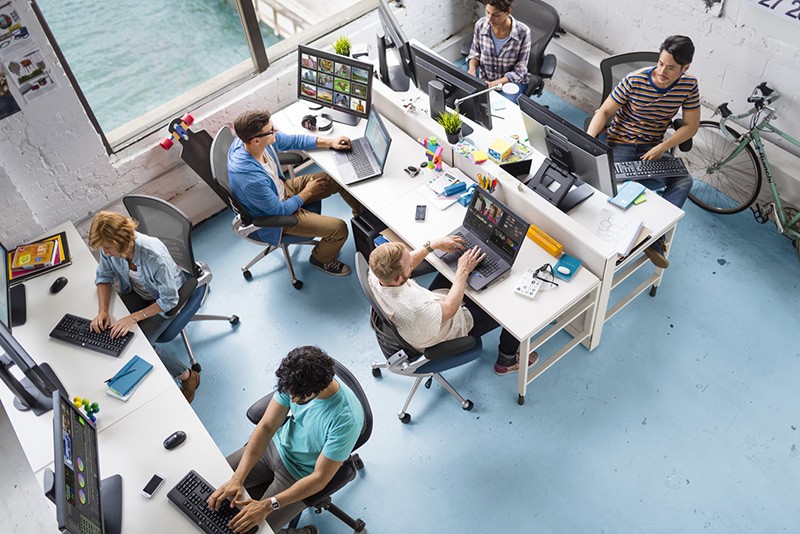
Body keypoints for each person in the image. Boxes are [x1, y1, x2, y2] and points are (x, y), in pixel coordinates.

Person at [208, 347, 363, 533]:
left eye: (297, 397)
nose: (292, 400)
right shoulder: (294, 381)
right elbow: (266, 427)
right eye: (289, 394)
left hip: (300, 473)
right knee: (210, 486)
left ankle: (304, 532)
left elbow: (320, 478)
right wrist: (237, 478)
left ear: (319, 387)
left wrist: (267, 506)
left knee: (250, 530)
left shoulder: (346, 419)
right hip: (274, 446)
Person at [587, 35, 700, 268]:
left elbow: (691, 125)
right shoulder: (635, 79)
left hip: (653, 147)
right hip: (621, 143)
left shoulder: (689, 85)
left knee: (683, 182)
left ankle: (653, 236)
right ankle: (612, 242)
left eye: (670, 68)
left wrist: (663, 147)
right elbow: (604, 112)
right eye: (660, 64)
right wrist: (587, 140)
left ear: (685, 68)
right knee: (614, 189)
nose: (661, 72)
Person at [368, 239, 537, 375]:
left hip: (429, 308)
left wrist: (431, 246)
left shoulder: (376, 272)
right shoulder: (417, 310)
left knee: (453, 266)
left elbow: (406, 263)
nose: (412, 263)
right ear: (398, 279)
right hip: (451, 323)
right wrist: (463, 271)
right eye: (410, 266)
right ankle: (506, 360)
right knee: (515, 305)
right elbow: (450, 308)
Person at [228, 109, 364, 276]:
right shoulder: (250, 179)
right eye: (272, 131)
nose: (276, 132)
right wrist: (307, 192)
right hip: (276, 218)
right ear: (256, 141)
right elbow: (278, 211)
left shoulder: (252, 141)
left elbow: (293, 140)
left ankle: (362, 218)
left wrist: (330, 142)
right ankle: (321, 259)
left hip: (281, 190)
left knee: (335, 180)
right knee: (339, 229)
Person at [88, 211, 200, 402]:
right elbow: (104, 277)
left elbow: (169, 300)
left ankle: (188, 377)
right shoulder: (111, 250)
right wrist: (103, 311)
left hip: (167, 300)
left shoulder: (153, 255)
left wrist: (133, 317)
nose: (105, 253)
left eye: (107, 248)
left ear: (122, 239)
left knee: (140, 345)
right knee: (110, 334)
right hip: (139, 293)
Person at [467, 0, 531, 102]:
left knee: (502, 108)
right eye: (488, 12)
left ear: (508, 11)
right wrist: (472, 69)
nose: (490, 19)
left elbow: (520, 71)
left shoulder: (523, 32)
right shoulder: (480, 25)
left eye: (496, 15)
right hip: (486, 80)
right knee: (470, 103)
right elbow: (475, 53)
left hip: (511, 83)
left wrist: (494, 84)